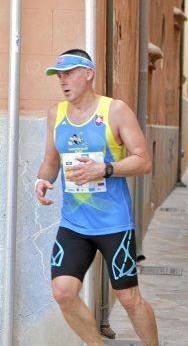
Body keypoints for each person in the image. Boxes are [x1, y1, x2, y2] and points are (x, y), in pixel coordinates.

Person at [35, 49, 158, 345]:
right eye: (59, 76)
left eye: (69, 74)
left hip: (114, 223)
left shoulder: (114, 111)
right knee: (63, 291)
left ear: (88, 73)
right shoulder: (56, 114)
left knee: (128, 298)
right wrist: (42, 179)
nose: (63, 81)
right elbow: (51, 161)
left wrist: (105, 169)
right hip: (74, 223)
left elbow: (143, 160)